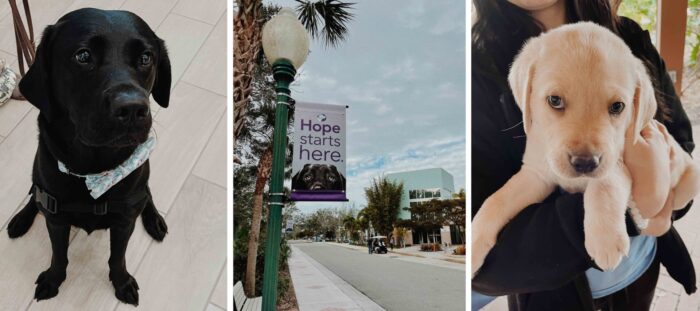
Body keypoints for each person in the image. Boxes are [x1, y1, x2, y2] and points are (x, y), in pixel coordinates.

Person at [471, 0, 696, 310]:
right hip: (549, 297)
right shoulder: (477, 67)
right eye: (555, 101)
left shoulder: (626, 38)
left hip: (637, 271)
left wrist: (665, 207)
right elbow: (487, 271)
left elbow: (681, 146)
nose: (584, 152)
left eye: (615, 107)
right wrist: (639, 210)